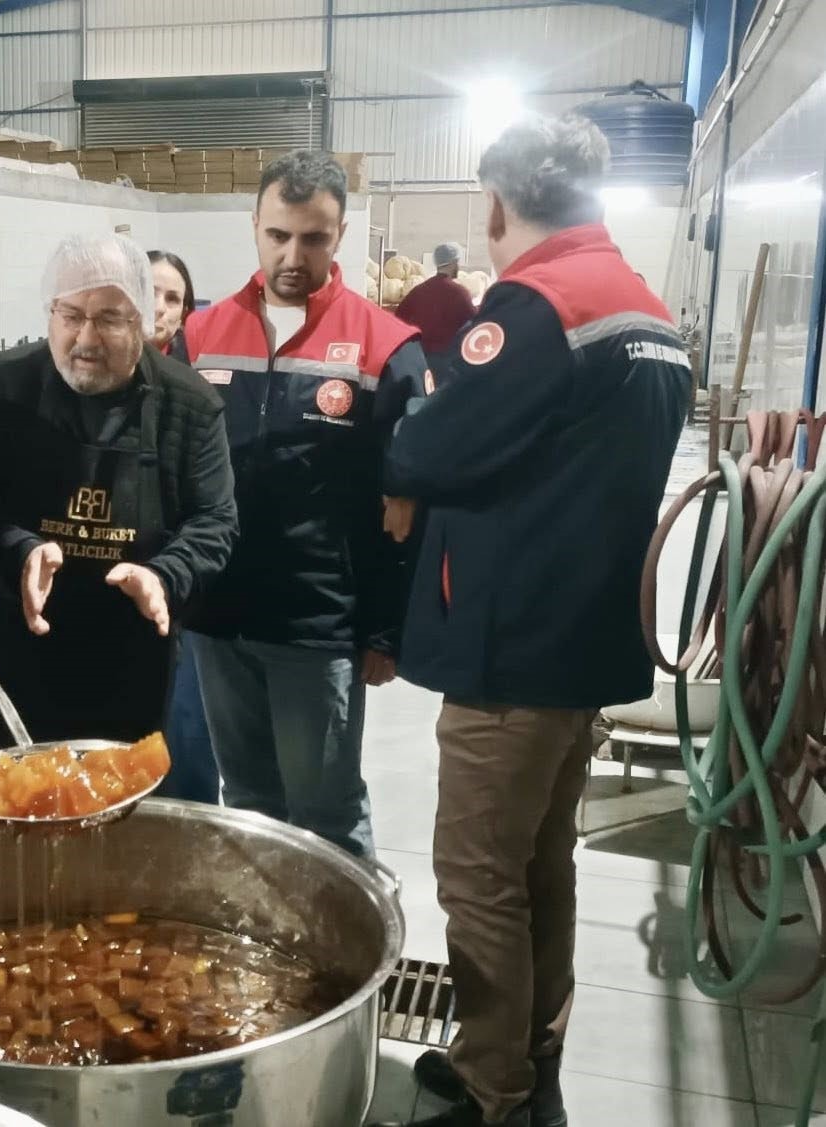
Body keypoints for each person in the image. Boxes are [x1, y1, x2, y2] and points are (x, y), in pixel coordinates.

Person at [376, 115, 691, 1127]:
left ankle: (487, 1086)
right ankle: (530, 1045)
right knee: (537, 861)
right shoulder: (644, 309)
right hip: (584, 643)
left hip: (509, 651)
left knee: (475, 878)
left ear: (494, 205)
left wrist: (416, 417)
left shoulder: (535, 304)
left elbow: (429, 453)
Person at [181, 150, 427, 859]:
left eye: (313, 238)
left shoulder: (386, 346)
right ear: (254, 225)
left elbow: (406, 506)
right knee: (249, 803)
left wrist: (385, 629)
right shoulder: (200, 336)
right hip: (219, 617)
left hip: (317, 623)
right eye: (278, 235)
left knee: (325, 810)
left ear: (340, 235)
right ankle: (270, 953)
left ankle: (353, 965)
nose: (293, 254)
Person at [0, 235, 237, 762]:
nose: (86, 337)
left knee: (114, 826)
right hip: (15, 647)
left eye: (109, 318)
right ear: (50, 312)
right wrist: (21, 550)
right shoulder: (5, 387)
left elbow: (215, 521)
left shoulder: (189, 404)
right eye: (71, 314)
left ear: (143, 322)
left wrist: (164, 575)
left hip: (126, 659)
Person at [144, 248, 221, 804]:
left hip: (185, 589)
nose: (161, 308)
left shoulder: (200, 391)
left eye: (175, 298)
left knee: (189, 736)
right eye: (151, 291)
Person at [395, 241, 477, 357]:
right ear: (453, 263)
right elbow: (476, 321)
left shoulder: (418, 291)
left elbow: (399, 317)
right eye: (457, 262)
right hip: (447, 361)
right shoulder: (459, 293)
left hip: (420, 358)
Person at [148, 249, 195, 362]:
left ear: (183, 315)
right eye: (149, 293)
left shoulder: (193, 374)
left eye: (172, 299)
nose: (159, 308)